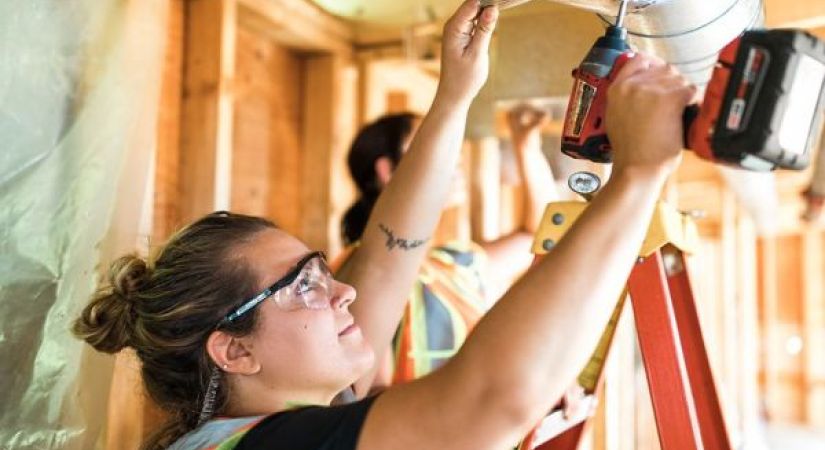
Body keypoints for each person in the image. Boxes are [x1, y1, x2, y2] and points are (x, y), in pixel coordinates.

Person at [73, 1, 696, 449]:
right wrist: (636, 177)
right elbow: (488, 403)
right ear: (234, 349)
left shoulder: (309, 406)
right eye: (303, 287)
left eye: (319, 271)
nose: (342, 290)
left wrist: (456, 93)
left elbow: (393, 250)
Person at [339, 106, 555, 386]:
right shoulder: (360, 273)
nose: (456, 160)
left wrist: (526, 145)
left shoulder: (448, 266)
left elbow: (538, 237)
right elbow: (366, 398)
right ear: (387, 171)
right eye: (435, 148)